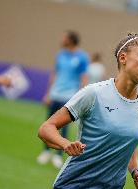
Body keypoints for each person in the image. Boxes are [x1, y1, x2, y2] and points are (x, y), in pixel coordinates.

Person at [38, 33, 138, 189]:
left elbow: (128, 143)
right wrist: (66, 144)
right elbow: (46, 128)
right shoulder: (94, 94)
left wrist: (135, 171)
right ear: (123, 58)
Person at [37, 30, 90, 169]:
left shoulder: (82, 57)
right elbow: (55, 73)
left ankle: (58, 155)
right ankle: (46, 152)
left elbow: (84, 78)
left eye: (65, 37)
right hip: (55, 94)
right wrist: (48, 94)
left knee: (64, 127)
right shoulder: (61, 55)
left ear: (71, 40)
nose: (62, 39)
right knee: (49, 123)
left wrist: (80, 97)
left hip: (69, 97)